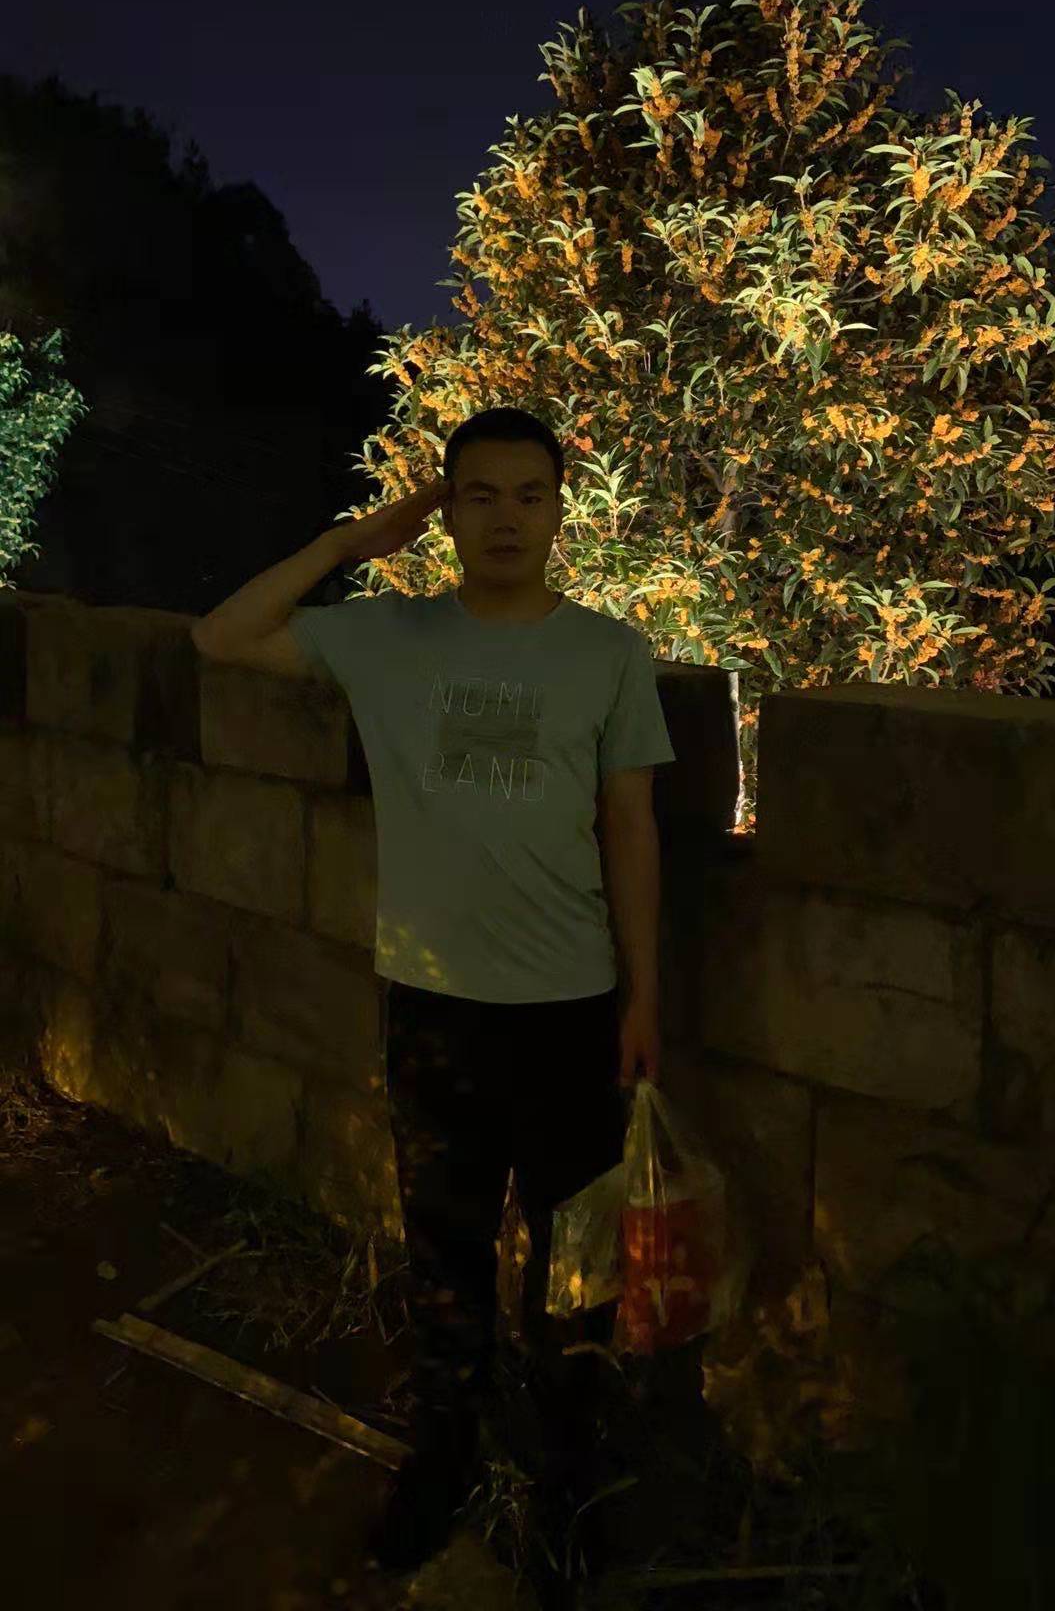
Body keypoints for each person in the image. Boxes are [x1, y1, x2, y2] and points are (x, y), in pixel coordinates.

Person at [190, 406, 676, 1574]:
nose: (507, 518)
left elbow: (631, 827)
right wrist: (353, 541)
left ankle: (566, 1477)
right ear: (445, 513)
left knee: (574, 1269)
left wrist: (644, 995)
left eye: (530, 495)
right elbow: (220, 636)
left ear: (560, 511)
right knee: (445, 1256)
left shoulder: (609, 653)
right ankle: (443, 1456)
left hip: (570, 1008)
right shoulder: (387, 636)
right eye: (480, 495)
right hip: (433, 1006)